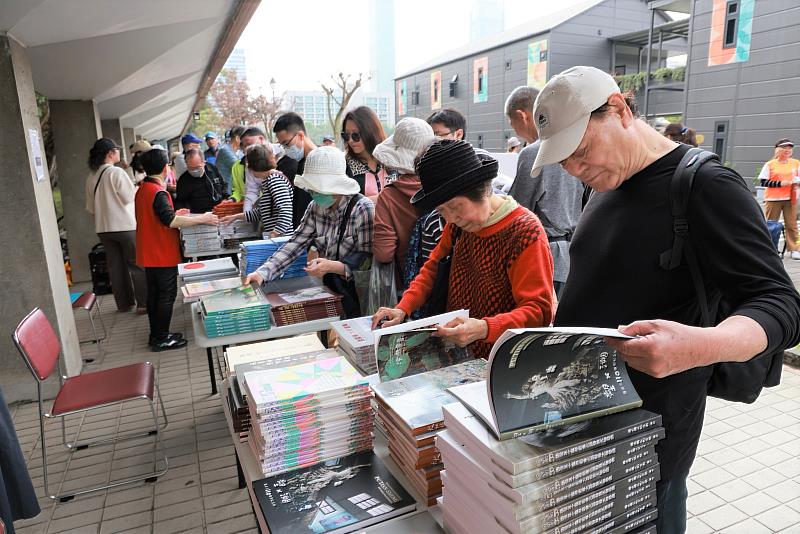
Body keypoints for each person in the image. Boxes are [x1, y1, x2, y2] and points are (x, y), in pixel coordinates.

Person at [529, 66, 800, 533]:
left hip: (650, 438)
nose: (574, 169)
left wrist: (701, 345)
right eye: (563, 161)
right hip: (582, 421)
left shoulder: (704, 185)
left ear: (618, 109)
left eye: (582, 150)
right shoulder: (604, 185)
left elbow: (782, 304)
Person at [372, 140, 555, 359]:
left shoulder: (524, 232)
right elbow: (432, 268)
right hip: (458, 353)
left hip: (500, 358)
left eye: (455, 207)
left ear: (482, 191)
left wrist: (485, 328)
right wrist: (403, 307)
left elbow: (538, 311)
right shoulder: (457, 225)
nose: (450, 218)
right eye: (442, 211)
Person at [244, 147, 374, 318]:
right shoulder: (315, 208)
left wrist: (335, 267)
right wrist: (262, 273)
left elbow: (369, 260)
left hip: (359, 295)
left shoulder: (362, 208)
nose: (312, 194)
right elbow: (295, 244)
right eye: (311, 189)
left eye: (316, 189)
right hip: (332, 291)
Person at [505, 85, 585, 298]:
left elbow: (517, 210)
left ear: (522, 116)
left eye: (512, 124)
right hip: (573, 255)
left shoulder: (533, 153)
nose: (515, 131)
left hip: (543, 255)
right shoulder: (575, 143)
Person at [136, 148, 218, 351]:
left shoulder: (143, 188)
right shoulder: (158, 191)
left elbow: (161, 215)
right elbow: (170, 220)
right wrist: (203, 218)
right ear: (166, 168)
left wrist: (176, 213)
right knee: (165, 295)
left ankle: (156, 335)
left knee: (154, 295)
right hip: (161, 252)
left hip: (149, 250)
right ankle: (162, 337)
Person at [84, 138, 148, 313]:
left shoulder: (91, 177)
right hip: (125, 226)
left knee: (116, 267)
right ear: (110, 153)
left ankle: (124, 304)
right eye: (117, 150)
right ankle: (143, 304)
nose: (119, 152)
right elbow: (129, 198)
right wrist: (136, 188)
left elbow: (91, 208)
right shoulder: (117, 173)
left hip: (104, 229)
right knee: (136, 264)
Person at [372, 117, 436, 286]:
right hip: (443, 278)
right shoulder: (443, 187)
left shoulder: (389, 196)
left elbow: (383, 254)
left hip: (408, 284)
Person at [220, 144, 294, 238]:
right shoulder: (267, 181)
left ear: (251, 167)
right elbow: (263, 212)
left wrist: (276, 232)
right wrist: (235, 217)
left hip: (281, 239)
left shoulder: (274, 180)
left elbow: (286, 210)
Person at [230, 127, 298, 209]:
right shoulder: (250, 159)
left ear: (261, 139)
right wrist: (247, 215)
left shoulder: (287, 155)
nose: (246, 149)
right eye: (244, 147)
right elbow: (251, 192)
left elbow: (284, 210)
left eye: (248, 144)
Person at [273, 112, 318, 228]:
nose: (286, 149)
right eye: (282, 145)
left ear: (300, 136)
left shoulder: (320, 161)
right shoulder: (301, 162)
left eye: (286, 143)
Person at [758, 138, 800, 259]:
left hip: (791, 198)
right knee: (771, 225)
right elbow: (763, 182)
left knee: (792, 225)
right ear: (778, 150)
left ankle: (794, 249)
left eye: (789, 148)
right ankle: (771, 248)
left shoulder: (796, 163)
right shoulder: (770, 164)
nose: (787, 151)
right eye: (784, 148)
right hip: (773, 199)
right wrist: (780, 184)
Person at [342, 106, 389, 201]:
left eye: (356, 135)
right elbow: (346, 205)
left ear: (370, 132)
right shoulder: (344, 167)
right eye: (346, 135)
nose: (350, 140)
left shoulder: (391, 160)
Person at [175, 148, 227, 213]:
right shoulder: (183, 180)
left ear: (204, 162)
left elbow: (224, 185)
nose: (194, 170)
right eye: (191, 168)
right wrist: (184, 210)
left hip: (220, 210)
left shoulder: (212, 169)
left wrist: (226, 199)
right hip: (199, 215)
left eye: (197, 167)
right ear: (186, 164)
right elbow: (180, 201)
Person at [215, 125, 246, 192]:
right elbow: (241, 167)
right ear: (238, 138)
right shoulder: (225, 150)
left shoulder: (239, 152)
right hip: (226, 192)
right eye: (245, 139)